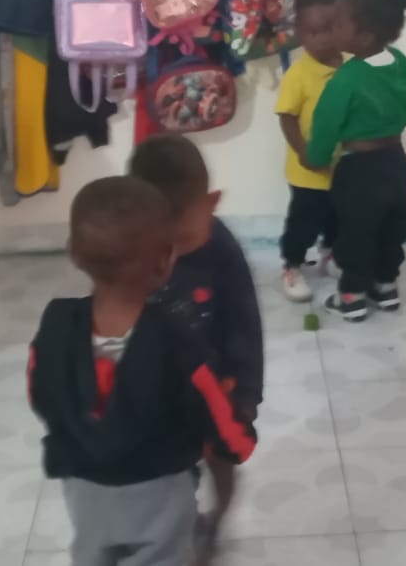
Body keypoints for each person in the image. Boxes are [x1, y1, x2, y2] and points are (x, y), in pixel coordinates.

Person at [28, 176, 257, 566]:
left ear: (73, 254)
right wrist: (239, 443)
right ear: (166, 260)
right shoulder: (180, 340)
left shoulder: (56, 324)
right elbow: (215, 410)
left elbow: (40, 393)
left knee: (92, 551)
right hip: (159, 489)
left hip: (83, 485)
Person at [128, 135, 262, 562]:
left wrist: (245, 395)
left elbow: (246, 327)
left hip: (219, 392)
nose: (172, 254)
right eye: (162, 239)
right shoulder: (135, 249)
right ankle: (177, 531)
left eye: (183, 239)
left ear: (211, 202)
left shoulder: (224, 254)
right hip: (162, 398)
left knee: (222, 465)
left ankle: (215, 520)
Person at [304, 0, 406, 322]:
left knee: (356, 230)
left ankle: (352, 295)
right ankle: (385, 286)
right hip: (395, 161)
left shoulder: (348, 76)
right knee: (392, 225)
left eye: (339, 23)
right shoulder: (399, 62)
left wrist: (316, 156)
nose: (332, 29)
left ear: (365, 35)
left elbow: (326, 121)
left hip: (359, 168)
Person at [274, 0, 345, 302]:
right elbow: (286, 117)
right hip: (308, 172)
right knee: (303, 223)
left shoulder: (352, 67)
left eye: (330, 29)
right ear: (300, 33)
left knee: (339, 217)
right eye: (313, 32)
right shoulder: (298, 75)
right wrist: (303, 150)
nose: (323, 39)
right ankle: (292, 264)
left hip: (343, 166)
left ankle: (330, 253)